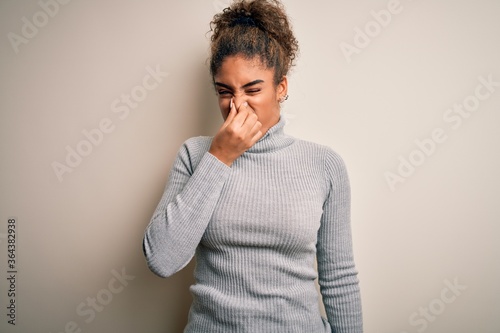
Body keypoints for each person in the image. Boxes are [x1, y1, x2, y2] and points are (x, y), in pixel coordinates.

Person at [143, 0, 363, 331]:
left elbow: (339, 277)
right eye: (224, 91)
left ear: (281, 88)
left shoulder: (324, 165)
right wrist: (219, 157)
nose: (236, 106)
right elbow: (161, 259)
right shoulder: (195, 155)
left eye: (253, 89)